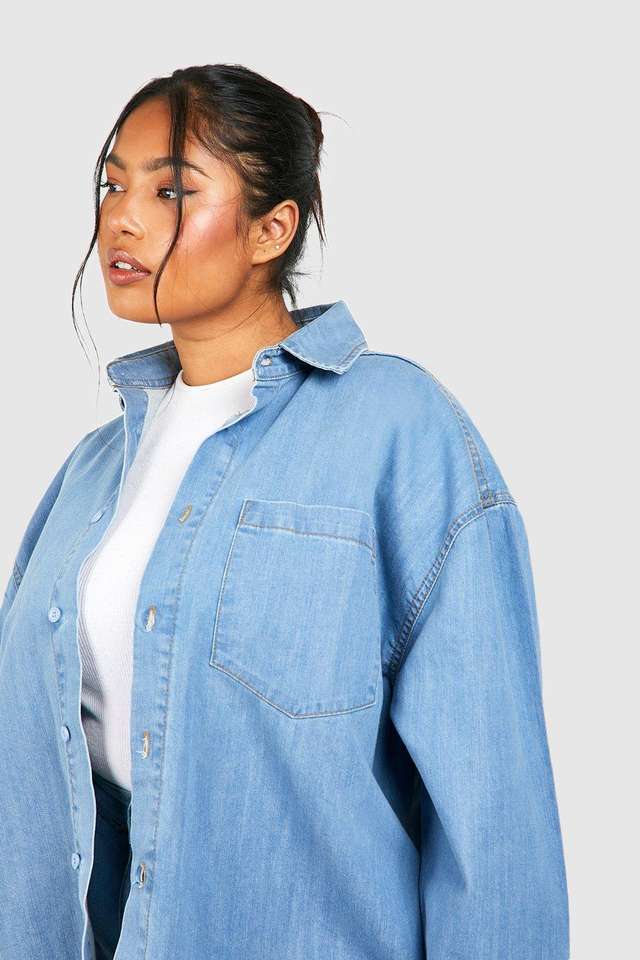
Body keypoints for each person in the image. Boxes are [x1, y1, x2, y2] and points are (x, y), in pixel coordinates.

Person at [0, 64, 570, 960]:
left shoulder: (400, 433)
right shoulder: (90, 475)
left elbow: (491, 814)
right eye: (113, 185)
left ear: (273, 229)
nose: (123, 219)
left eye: (171, 191)